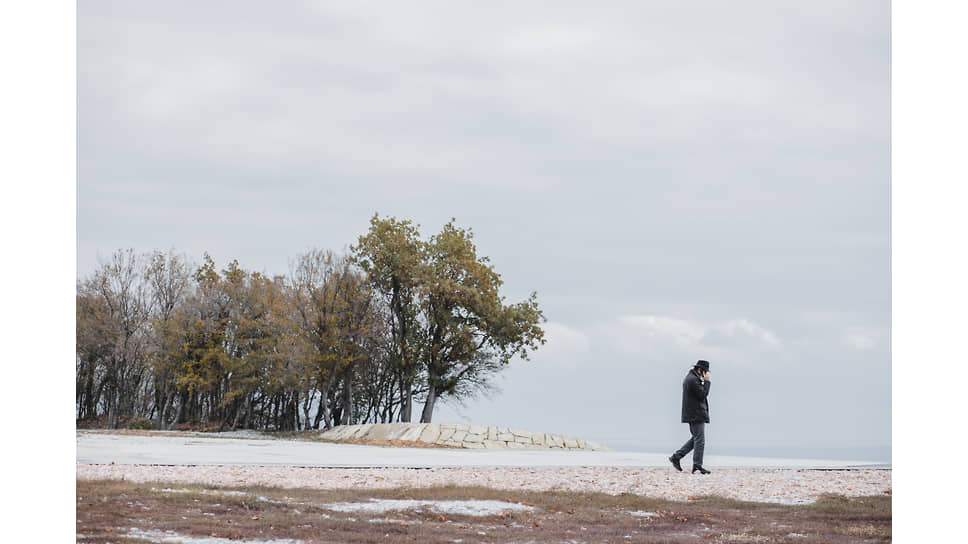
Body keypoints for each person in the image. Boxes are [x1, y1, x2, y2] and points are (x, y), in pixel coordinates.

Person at [669, 360, 712, 474]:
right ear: (700, 370)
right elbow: (702, 394)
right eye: (705, 371)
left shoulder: (691, 378)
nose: (706, 374)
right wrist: (707, 383)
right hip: (696, 414)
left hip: (694, 413)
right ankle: (697, 466)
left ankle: (676, 457)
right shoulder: (693, 380)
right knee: (700, 440)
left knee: (696, 439)